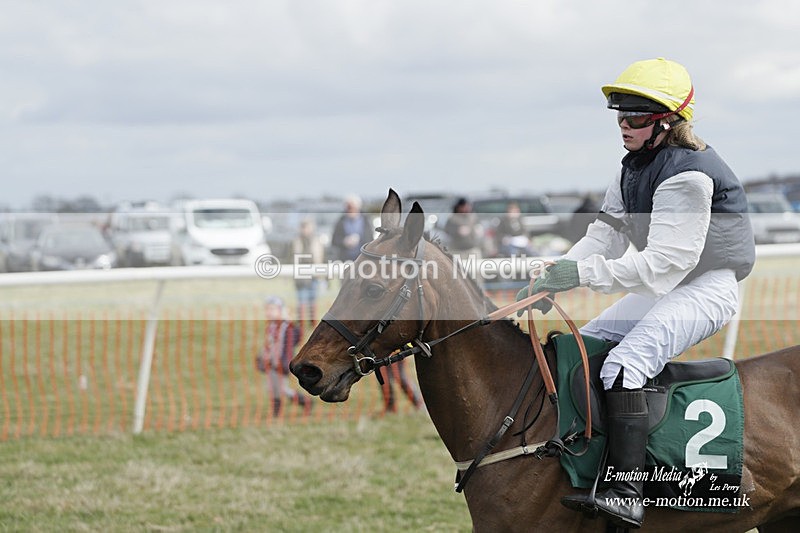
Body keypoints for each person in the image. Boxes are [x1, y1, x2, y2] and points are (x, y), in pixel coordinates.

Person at [516, 57, 754, 529]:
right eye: (620, 116)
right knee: (583, 349)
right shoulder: (632, 167)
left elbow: (664, 265)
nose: (624, 125)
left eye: (636, 117)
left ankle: (627, 490)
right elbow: (602, 237)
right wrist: (556, 272)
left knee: (625, 365)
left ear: (667, 122)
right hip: (672, 285)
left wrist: (580, 276)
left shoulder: (688, 177)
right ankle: (587, 459)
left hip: (707, 288)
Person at [256, 296, 311, 417]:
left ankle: (305, 401)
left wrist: (285, 362)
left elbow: (295, 339)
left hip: (281, 363)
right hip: (270, 362)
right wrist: (262, 357)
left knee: (282, 389)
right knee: (272, 388)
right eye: (267, 309)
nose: (269, 312)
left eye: (272, 309)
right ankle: (276, 412)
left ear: (281, 310)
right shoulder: (271, 326)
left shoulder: (288, 327)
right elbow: (269, 344)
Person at [292, 218, 325, 324]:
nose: (305, 230)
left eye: (307, 227)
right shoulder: (297, 241)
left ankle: (312, 323)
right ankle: (300, 324)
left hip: (314, 276)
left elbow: (320, 258)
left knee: (313, 301)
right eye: (303, 227)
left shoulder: (316, 241)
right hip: (301, 277)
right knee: (302, 301)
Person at [330, 195, 374, 262]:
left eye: (352, 208)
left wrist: (359, 240)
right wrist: (344, 242)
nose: (350, 210)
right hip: (345, 259)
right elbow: (334, 240)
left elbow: (370, 240)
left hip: (363, 259)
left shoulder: (366, 221)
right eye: (348, 208)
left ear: (358, 207)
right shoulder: (340, 221)